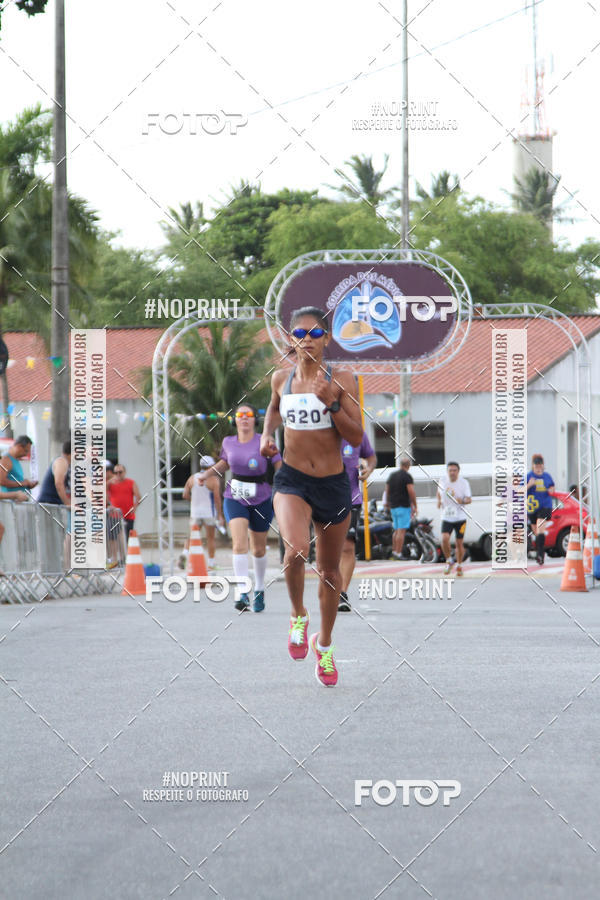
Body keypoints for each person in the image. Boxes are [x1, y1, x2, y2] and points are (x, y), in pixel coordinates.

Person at [261, 306, 363, 687]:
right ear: (290, 338)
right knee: (295, 550)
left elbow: (356, 437)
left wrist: (333, 404)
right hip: (293, 480)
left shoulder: (343, 379)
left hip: (333, 484)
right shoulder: (280, 380)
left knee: (331, 572)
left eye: (316, 334)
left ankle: (325, 644)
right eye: (300, 333)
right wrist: (266, 437)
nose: (307, 340)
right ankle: (298, 615)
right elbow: (272, 411)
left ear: (328, 339)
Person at [200, 404, 281, 612]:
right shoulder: (228, 442)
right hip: (234, 495)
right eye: (240, 415)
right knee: (239, 544)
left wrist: (288, 486)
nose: (244, 418)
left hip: (262, 495)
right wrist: (205, 475)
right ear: (235, 420)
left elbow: (279, 465)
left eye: (248, 415)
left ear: (255, 419)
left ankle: (260, 589)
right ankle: (242, 591)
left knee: (259, 548)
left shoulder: (265, 440)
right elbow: (223, 464)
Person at [338, 432, 377, 612]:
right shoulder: (320, 430)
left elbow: (371, 457)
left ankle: (341, 593)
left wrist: (368, 468)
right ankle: (330, 588)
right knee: (327, 550)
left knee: (348, 547)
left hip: (351, 499)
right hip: (323, 499)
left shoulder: (357, 434)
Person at [181, 455, 226, 570]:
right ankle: (211, 563)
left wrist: (193, 501)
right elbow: (217, 499)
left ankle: (184, 554)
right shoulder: (214, 480)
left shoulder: (192, 478)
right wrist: (220, 515)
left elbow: (185, 495)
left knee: (191, 536)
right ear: (211, 466)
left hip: (195, 512)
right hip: (209, 513)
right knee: (210, 538)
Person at [38, 440, 72, 568]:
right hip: (48, 505)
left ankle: (56, 568)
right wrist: (67, 503)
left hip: (54, 506)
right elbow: (59, 483)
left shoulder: (67, 465)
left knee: (57, 538)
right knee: (50, 539)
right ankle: (50, 570)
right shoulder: (61, 462)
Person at [437, 461, 471, 576]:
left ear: (458, 471)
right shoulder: (443, 481)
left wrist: (462, 501)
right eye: (450, 470)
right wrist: (438, 501)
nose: (452, 473)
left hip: (460, 517)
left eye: (454, 470)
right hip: (447, 516)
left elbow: (469, 499)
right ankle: (449, 560)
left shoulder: (464, 483)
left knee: (459, 542)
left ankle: (459, 564)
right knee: (444, 538)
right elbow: (438, 492)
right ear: (447, 471)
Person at [384, 457, 417, 559]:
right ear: (408, 465)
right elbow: (411, 491)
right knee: (401, 531)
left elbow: (387, 490)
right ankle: (398, 553)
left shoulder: (392, 476)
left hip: (393, 507)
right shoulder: (407, 476)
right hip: (403, 506)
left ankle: (394, 552)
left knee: (396, 530)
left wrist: (388, 503)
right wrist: (415, 505)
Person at [527, 454, 556, 566]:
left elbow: (552, 489)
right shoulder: (529, 476)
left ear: (543, 466)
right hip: (532, 508)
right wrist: (529, 485)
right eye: (536, 466)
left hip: (545, 506)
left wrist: (551, 490)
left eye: (540, 466)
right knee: (536, 531)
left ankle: (540, 555)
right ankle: (541, 550)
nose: (538, 468)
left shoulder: (547, 476)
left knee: (540, 526)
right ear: (533, 466)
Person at [107, 464, 141, 540]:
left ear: (124, 472)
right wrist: (108, 505)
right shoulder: (110, 484)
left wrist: (134, 508)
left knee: (127, 538)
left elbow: (138, 497)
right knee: (113, 538)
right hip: (115, 515)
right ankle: (115, 552)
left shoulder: (131, 482)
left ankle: (126, 551)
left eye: (120, 472)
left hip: (128, 515)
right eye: (116, 473)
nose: (118, 474)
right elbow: (102, 493)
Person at [0, 435, 37, 501]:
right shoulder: (6, 459)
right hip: (11, 502)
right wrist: (22, 483)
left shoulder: (15, 460)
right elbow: (1, 481)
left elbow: (15, 479)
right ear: (19, 446)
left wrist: (27, 484)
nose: (26, 454)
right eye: (25, 451)